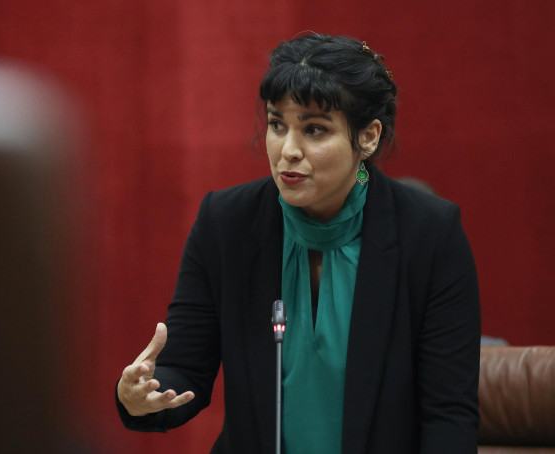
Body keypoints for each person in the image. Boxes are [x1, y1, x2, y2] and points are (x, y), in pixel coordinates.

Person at [116, 34, 480, 454]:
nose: (288, 150)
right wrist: (141, 397)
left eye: (314, 129)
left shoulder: (430, 235)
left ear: (368, 137)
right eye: (277, 125)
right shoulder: (227, 223)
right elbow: (184, 371)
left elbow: (449, 415)